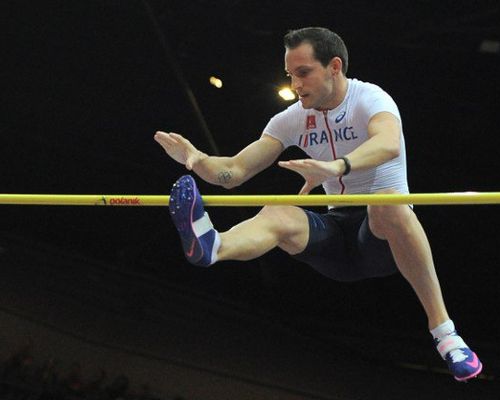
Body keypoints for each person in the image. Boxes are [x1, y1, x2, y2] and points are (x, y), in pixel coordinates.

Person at [155, 26, 482, 382]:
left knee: (387, 203)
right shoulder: (291, 119)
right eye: (290, 75)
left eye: (303, 73)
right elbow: (234, 171)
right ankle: (213, 245)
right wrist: (195, 158)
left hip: (383, 238)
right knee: (279, 212)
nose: (295, 84)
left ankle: (446, 336)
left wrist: (335, 166)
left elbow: (389, 143)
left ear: (334, 66)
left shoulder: (371, 99)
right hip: (335, 240)